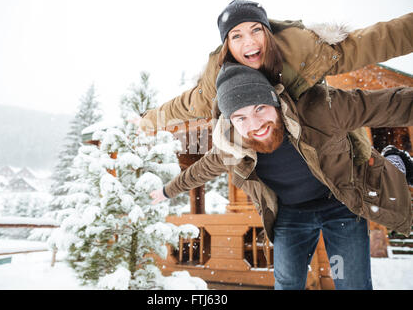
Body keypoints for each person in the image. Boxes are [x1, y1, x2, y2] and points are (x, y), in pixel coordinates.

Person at [149, 63, 413, 290]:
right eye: (240, 118)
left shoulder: (318, 111)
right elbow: (198, 171)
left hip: (340, 203)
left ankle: (395, 161)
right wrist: (165, 192)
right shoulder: (233, 147)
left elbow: (386, 104)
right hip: (291, 216)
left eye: (260, 108)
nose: (254, 125)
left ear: (275, 102)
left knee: (350, 283)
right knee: (287, 283)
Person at [139, 0, 413, 167]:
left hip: (321, 133)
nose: (249, 42)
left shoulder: (304, 53)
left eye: (256, 30)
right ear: (228, 45)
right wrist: (149, 120)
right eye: (237, 36)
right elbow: (186, 105)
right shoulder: (218, 79)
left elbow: (376, 40)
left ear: (267, 34)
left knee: (361, 117)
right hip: (276, 158)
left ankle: (389, 167)